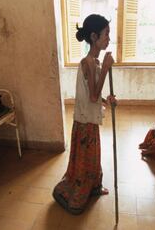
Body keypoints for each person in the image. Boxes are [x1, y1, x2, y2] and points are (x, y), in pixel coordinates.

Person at [52, 14, 116, 215]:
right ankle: (78, 192)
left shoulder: (95, 62)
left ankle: (94, 187)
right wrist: (106, 69)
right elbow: (94, 96)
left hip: (90, 120)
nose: (108, 39)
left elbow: (95, 94)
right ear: (94, 36)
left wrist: (109, 101)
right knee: (85, 160)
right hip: (84, 123)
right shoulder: (87, 62)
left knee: (93, 158)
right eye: (106, 34)